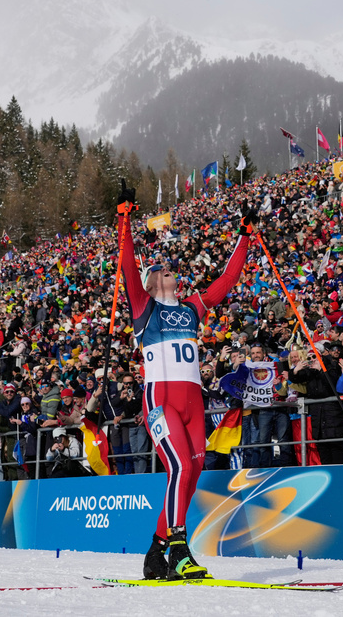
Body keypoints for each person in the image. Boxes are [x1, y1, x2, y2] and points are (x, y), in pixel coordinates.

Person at [117, 182, 255, 581]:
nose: (167, 266)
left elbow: (227, 280)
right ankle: (179, 548)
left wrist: (245, 236)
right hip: (161, 402)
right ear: (149, 280)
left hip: (194, 404)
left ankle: (157, 552)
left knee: (190, 476)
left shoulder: (193, 308)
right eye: (159, 266)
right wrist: (125, 220)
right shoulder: (144, 308)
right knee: (179, 466)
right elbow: (127, 265)